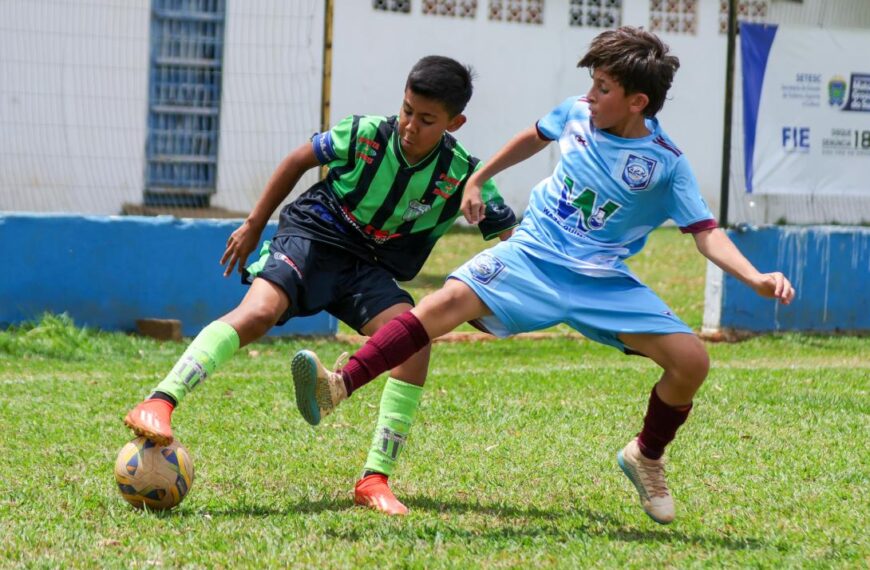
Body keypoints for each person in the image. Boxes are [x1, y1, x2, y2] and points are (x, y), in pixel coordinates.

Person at [291, 27, 796, 524]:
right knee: (439, 307)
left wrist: (754, 277)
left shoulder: (665, 166)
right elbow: (535, 136)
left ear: (638, 101)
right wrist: (480, 176)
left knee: (692, 362)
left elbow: (705, 231)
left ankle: (646, 454)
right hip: (530, 255)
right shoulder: (575, 112)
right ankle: (338, 385)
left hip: (599, 278)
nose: (590, 96)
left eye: (604, 88)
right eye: (592, 83)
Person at [123, 55, 518, 514]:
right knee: (258, 314)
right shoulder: (369, 134)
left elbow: (513, 239)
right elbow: (298, 160)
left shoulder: (462, 174)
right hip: (313, 234)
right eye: (407, 110)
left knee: (414, 341)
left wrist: (504, 297)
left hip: (368, 266)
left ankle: (374, 479)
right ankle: (159, 402)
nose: (410, 125)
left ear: (456, 122)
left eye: (427, 119)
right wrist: (255, 224)